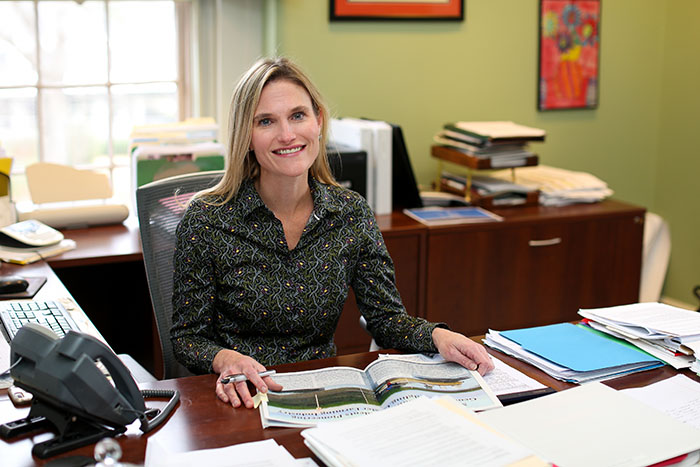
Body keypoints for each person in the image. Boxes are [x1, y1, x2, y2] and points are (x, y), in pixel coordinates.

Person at [171, 57, 494, 409]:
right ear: (246, 136)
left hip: (323, 394)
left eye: (298, 115)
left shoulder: (350, 213)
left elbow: (386, 319)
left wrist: (437, 335)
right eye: (266, 121)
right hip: (241, 398)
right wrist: (224, 359)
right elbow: (188, 337)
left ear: (318, 121)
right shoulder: (207, 219)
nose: (287, 135)